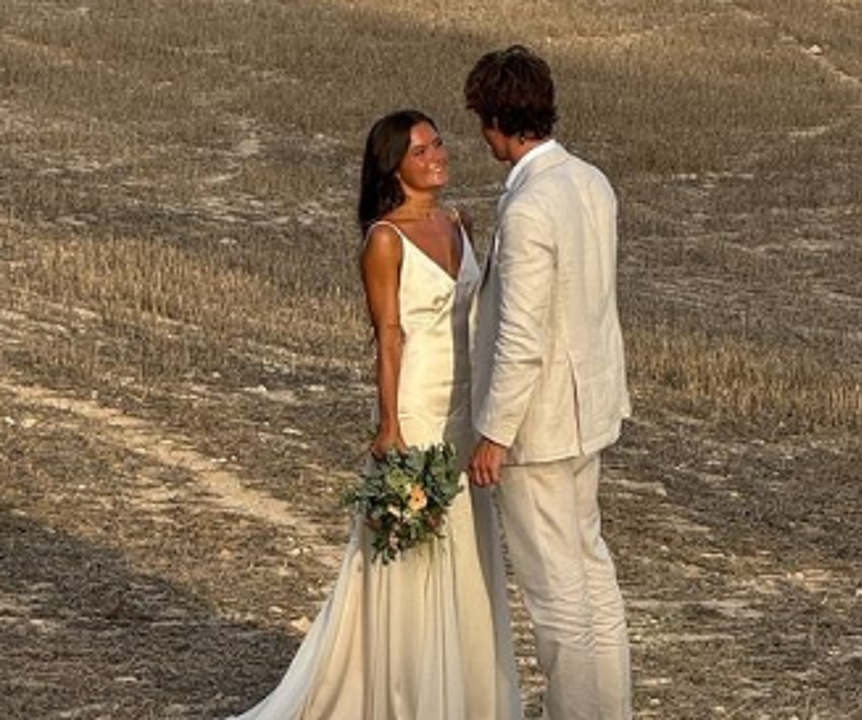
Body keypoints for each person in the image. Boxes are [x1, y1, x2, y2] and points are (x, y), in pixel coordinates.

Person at [229, 110, 520, 720]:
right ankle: (403, 695)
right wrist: (389, 426)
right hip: (415, 407)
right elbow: (389, 335)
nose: (437, 155)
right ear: (394, 165)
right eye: (420, 150)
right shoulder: (384, 240)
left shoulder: (460, 222)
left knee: (468, 551)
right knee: (413, 554)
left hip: (464, 411)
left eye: (438, 142)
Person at [464, 46, 633, 720]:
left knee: (557, 593)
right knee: (592, 574)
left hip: (541, 425)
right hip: (589, 408)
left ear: (501, 122)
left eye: (483, 122)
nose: (482, 136)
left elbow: (522, 337)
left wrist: (493, 434)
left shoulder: (531, 206)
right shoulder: (591, 181)